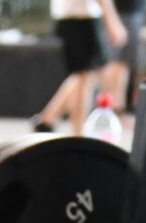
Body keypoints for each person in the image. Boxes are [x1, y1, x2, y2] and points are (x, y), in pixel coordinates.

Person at [33, 0, 127, 135]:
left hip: (69, 16)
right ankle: (76, 132)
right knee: (85, 76)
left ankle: (48, 118)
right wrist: (112, 21)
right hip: (81, 18)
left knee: (84, 75)